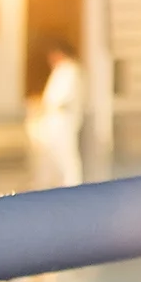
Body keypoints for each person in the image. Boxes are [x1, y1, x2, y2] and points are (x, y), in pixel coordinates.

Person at [28, 45, 86, 190]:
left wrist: (41, 107)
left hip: (62, 121)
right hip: (54, 121)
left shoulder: (68, 70)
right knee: (50, 157)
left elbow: (56, 100)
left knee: (65, 157)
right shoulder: (61, 71)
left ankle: (72, 187)